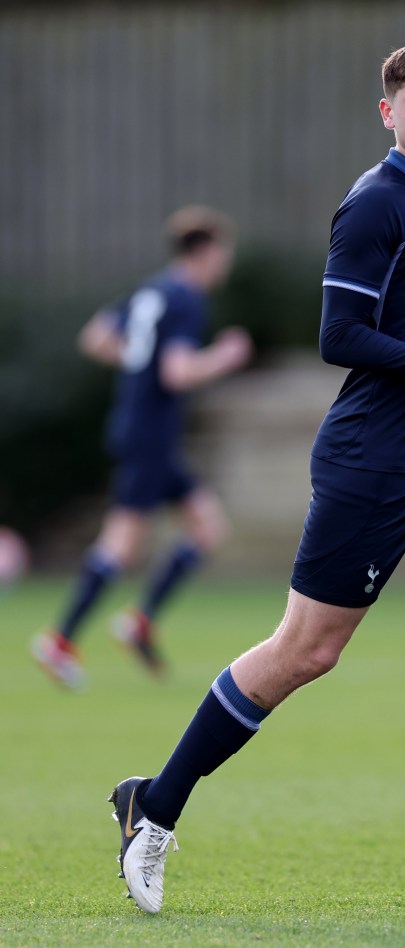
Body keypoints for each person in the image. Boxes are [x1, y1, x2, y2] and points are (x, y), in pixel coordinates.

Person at [108, 40, 405, 914]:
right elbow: (341, 335)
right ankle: (155, 803)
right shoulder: (374, 204)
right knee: (305, 651)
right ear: (389, 112)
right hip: (372, 461)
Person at [32, 206, 252, 690]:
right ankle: (60, 639)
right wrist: (224, 357)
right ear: (206, 252)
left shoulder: (153, 289)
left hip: (145, 433)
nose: (224, 265)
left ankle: (140, 622)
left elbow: (95, 337)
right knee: (121, 545)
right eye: (222, 255)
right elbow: (178, 372)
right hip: (150, 436)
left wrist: (136, 362)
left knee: (207, 526)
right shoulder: (188, 299)